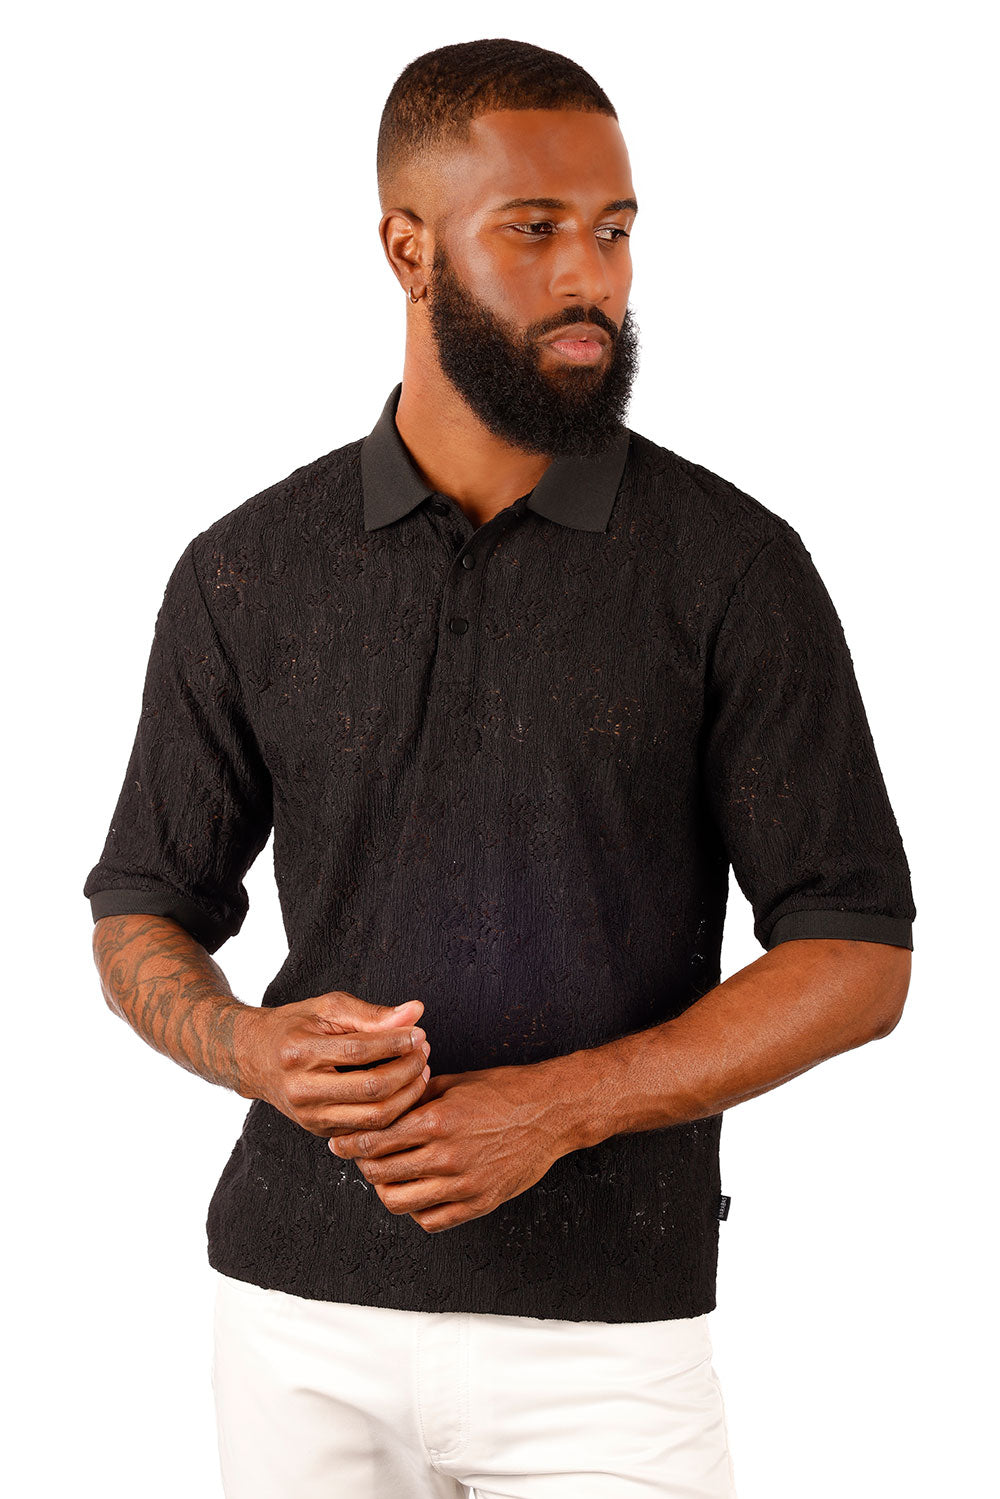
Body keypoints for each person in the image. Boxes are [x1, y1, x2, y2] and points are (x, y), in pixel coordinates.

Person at [83, 36, 915, 1499]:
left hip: (608, 1343)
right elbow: (144, 905)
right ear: (408, 250)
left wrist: (557, 1108)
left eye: (615, 230)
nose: (592, 276)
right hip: (293, 1319)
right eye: (535, 230)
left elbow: (856, 955)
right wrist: (250, 1050)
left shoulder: (732, 568)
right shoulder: (246, 569)